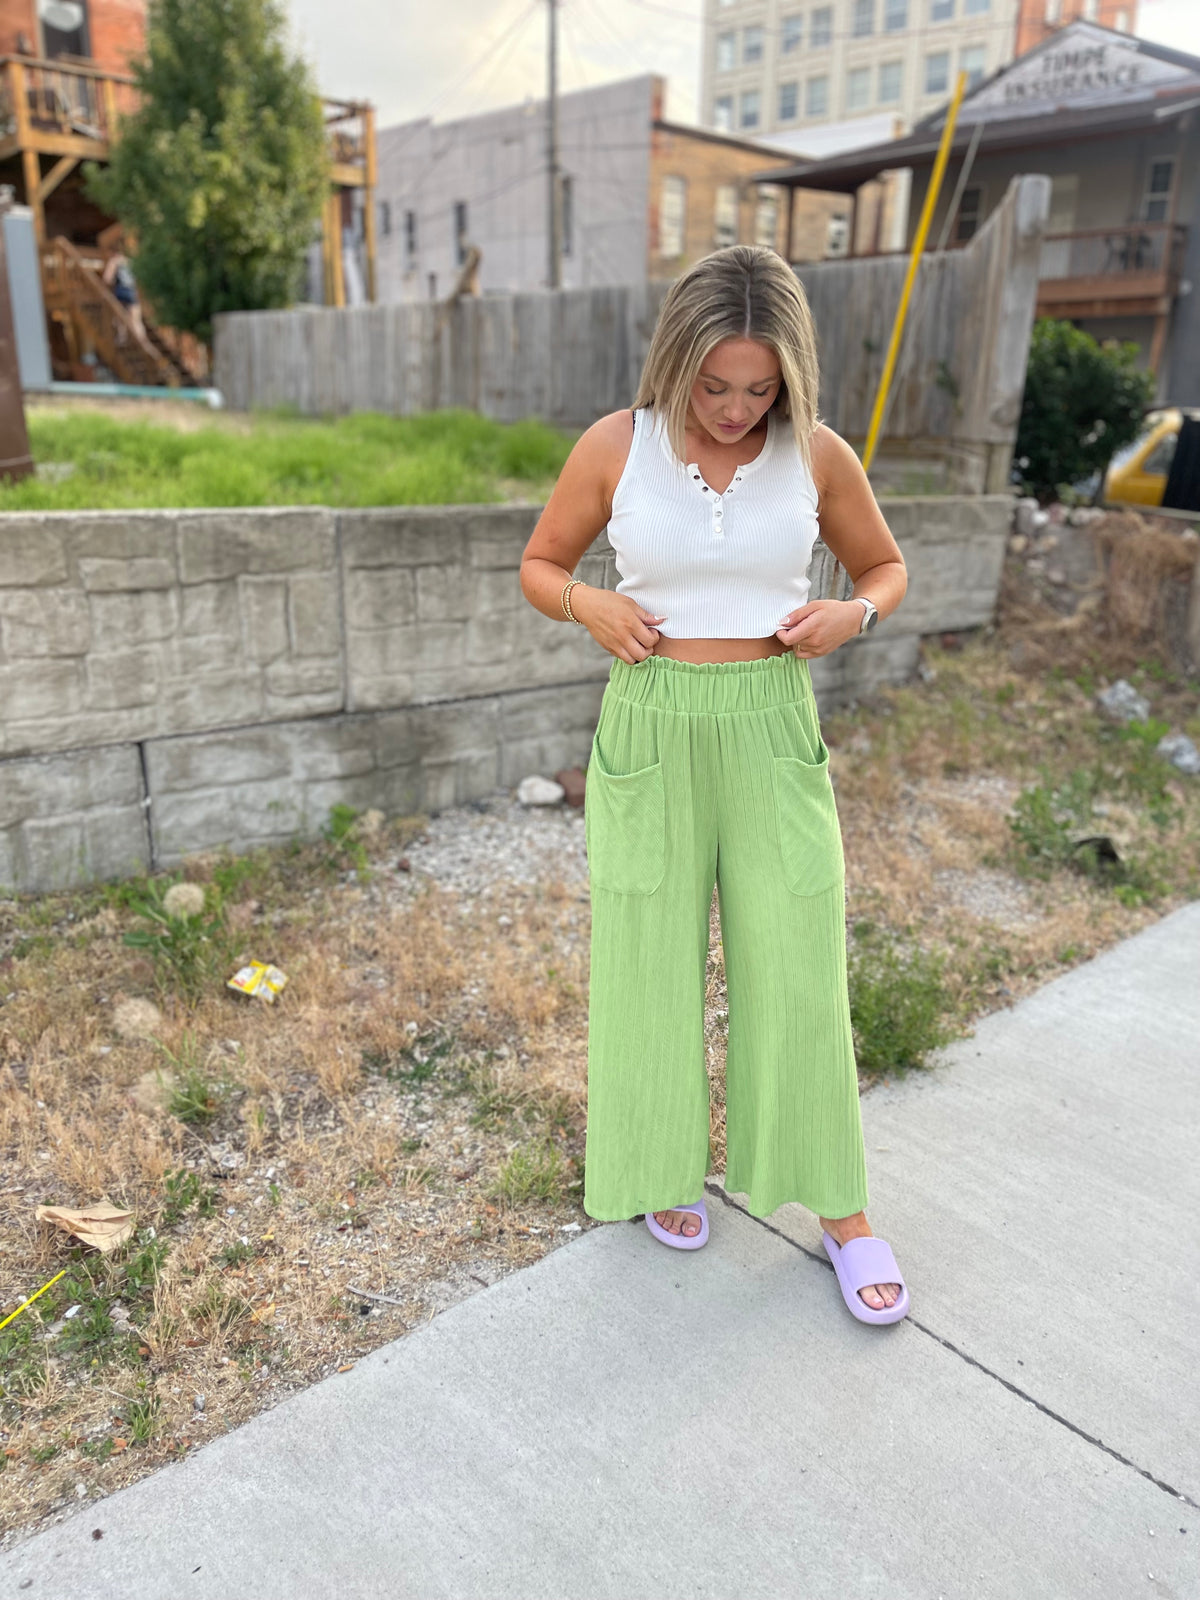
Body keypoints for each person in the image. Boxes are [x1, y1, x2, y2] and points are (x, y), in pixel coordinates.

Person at [518, 245, 910, 1325]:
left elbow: (885, 567)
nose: (738, 407)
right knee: (649, 958)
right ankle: (659, 1167)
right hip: (652, 720)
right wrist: (586, 605)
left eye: (761, 386)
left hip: (772, 721)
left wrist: (854, 614)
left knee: (797, 958)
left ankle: (841, 1209)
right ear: (676, 359)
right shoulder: (617, 445)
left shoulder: (818, 455)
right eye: (715, 383)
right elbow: (541, 563)